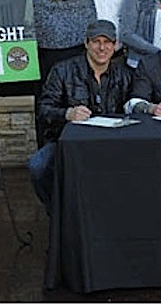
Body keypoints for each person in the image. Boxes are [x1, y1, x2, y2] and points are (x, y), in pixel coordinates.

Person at [28, 20, 132, 215]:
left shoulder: (124, 74)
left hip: (112, 144)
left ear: (115, 45)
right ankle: (57, 213)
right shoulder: (62, 70)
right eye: (96, 41)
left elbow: (133, 107)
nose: (102, 47)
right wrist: (67, 113)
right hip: (65, 144)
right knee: (38, 166)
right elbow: (44, 109)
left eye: (107, 42)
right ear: (86, 43)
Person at [33, 0, 97, 146]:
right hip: (48, 69)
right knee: (50, 125)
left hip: (79, 72)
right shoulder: (37, 4)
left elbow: (92, 39)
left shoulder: (86, 2)